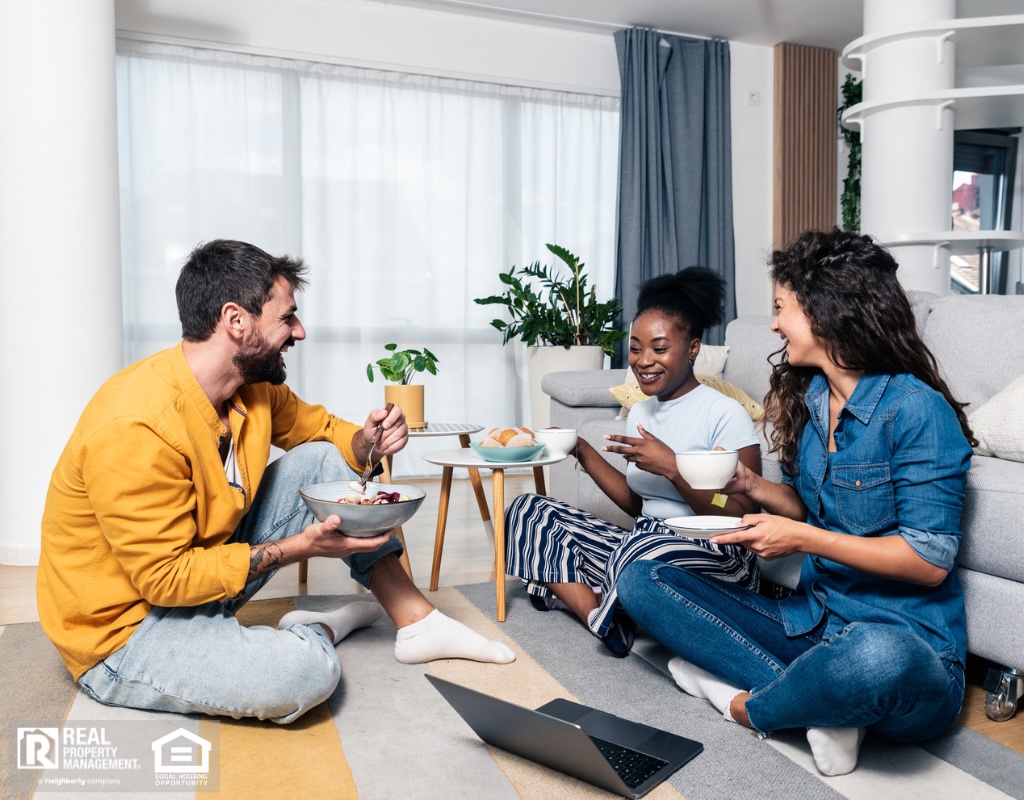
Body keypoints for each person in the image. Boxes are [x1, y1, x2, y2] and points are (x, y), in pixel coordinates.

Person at [37, 239, 514, 725]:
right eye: (288, 317)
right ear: (236, 320)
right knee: (299, 677)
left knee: (323, 458)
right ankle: (318, 632)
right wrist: (299, 548)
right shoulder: (135, 426)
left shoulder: (251, 389)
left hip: (200, 575)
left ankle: (418, 622)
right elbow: (165, 579)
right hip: (126, 631)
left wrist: (367, 441)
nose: (299, 331)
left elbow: (324, 432)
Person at [617, 228, 975, 776]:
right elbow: (812, 509)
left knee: (877, 659)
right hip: (810, 626)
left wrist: (804, 540)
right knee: (643, 579)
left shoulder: (916, 410)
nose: (775, 324)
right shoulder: (813, 400)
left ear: (825, 311)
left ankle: (745, 705)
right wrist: (752, 487)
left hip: (904, 643)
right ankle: (828, 708)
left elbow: (928, 563)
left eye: (782, 307)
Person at [504, 266, 762, 656]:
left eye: (659, 348)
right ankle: (602, 617)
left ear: (692, 349)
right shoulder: (641, 412)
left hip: (716, 554)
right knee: (528, 511)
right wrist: (581, 450)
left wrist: (674, 468)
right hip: (645, 540)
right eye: (636, 348)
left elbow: (743, 514)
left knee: (638, 553)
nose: (644, 361)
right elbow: (639, 504)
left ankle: (587, 592)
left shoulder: (724, 413)